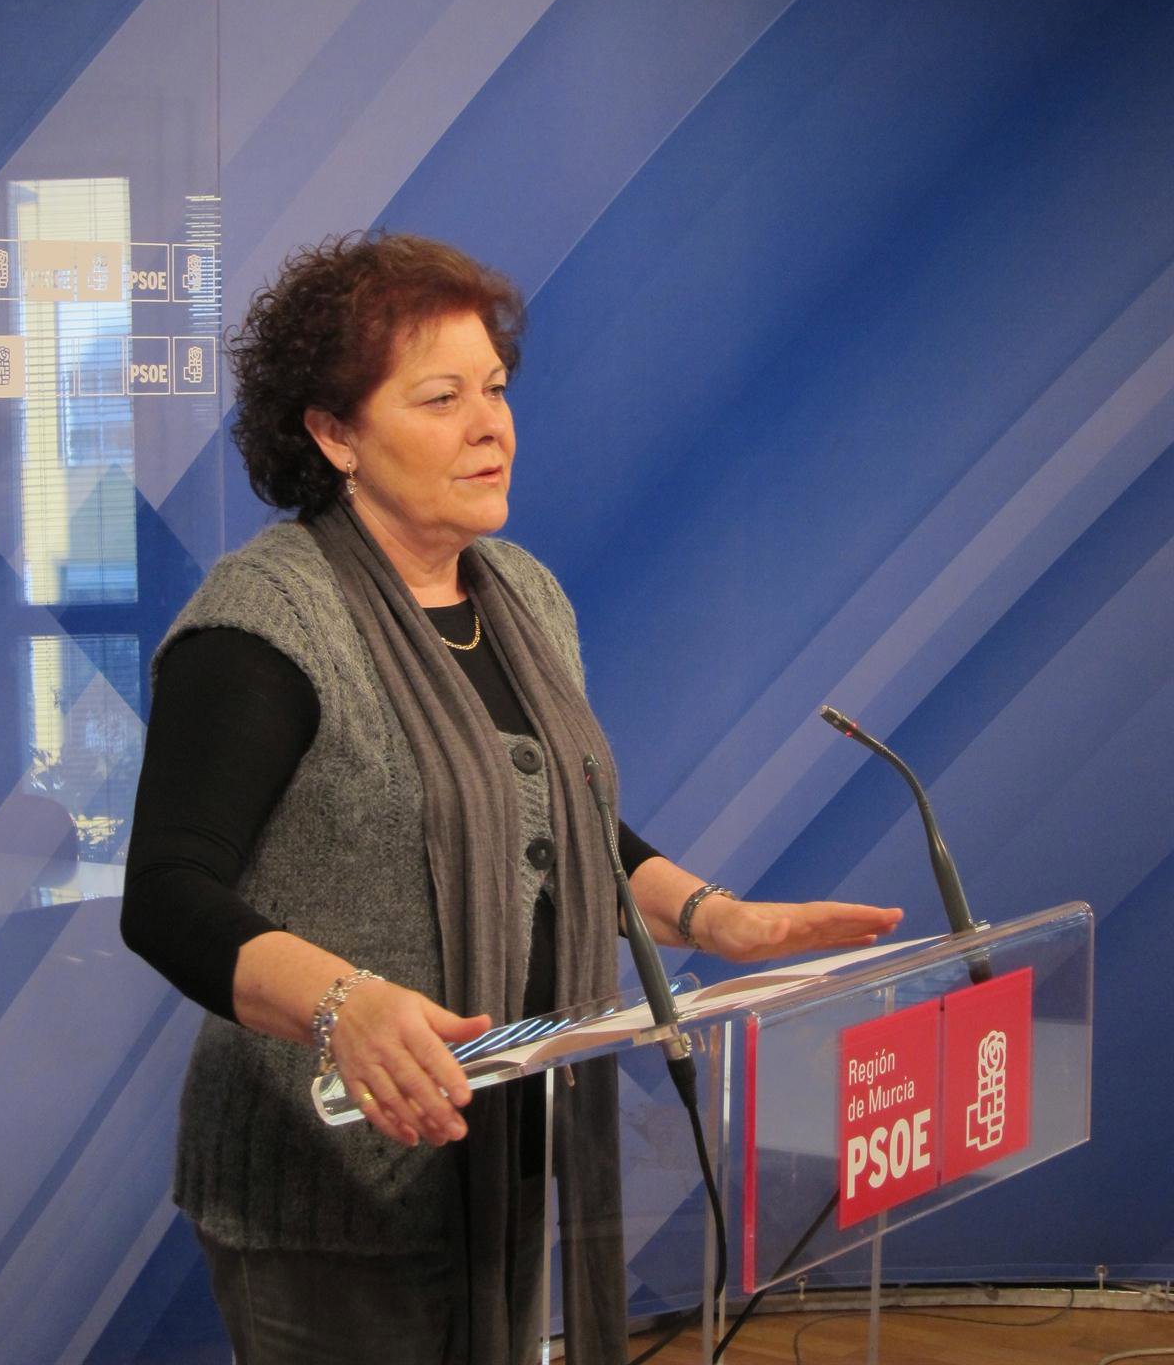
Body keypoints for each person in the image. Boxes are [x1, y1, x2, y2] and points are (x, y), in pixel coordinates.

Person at [121, 231, 902, 1365]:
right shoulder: (265, 624)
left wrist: (715, 917)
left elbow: (568, 827)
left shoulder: (523, 595)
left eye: (494, 389)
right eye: (441, 398)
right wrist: (346, 1006)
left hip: (508, 1149)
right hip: (330, 1190)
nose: (491, 426)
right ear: (335, 434)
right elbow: (167, 895)